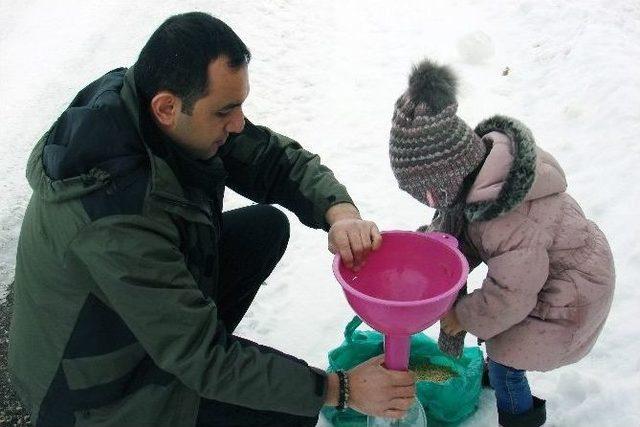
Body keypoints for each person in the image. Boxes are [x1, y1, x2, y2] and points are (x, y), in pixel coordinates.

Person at [8, 12, 417, 427]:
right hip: (90, 397)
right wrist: (341, 390)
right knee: (287, 411)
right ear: (167, 107)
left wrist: (339, 212)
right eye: (225, 112)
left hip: (131, 323)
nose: (238, 123)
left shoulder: (151, 110)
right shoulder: (116, 218)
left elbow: (269, 159)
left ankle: (194, 350)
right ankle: (188, 380)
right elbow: (203, 358)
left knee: (265, 228)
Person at [388, 59, 615, 427]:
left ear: (444, 182)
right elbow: (459, 230)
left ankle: (519, 416)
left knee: (508, 358)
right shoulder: (482, 182)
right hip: (549, 279)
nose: (432, 206)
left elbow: (511, 294)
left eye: (427, 197)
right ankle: (498, 376)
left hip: (572, 298)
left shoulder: (508, 220)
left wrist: (461, 316)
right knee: (501, 336)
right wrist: (427, 252)